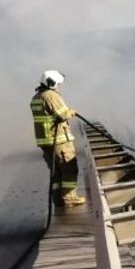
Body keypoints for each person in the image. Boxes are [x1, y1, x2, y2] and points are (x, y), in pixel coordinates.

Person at [30, 70, 85, 207]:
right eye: (58, 84)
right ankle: (70, 198)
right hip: (59, 141)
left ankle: (58, 199)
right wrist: (71, 112)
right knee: (69, 169)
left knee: (57, 173)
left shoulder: (36, 97)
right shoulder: (51, 96)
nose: (59, 87)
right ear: (52, 83)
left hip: (46, 142)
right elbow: (62, 115)